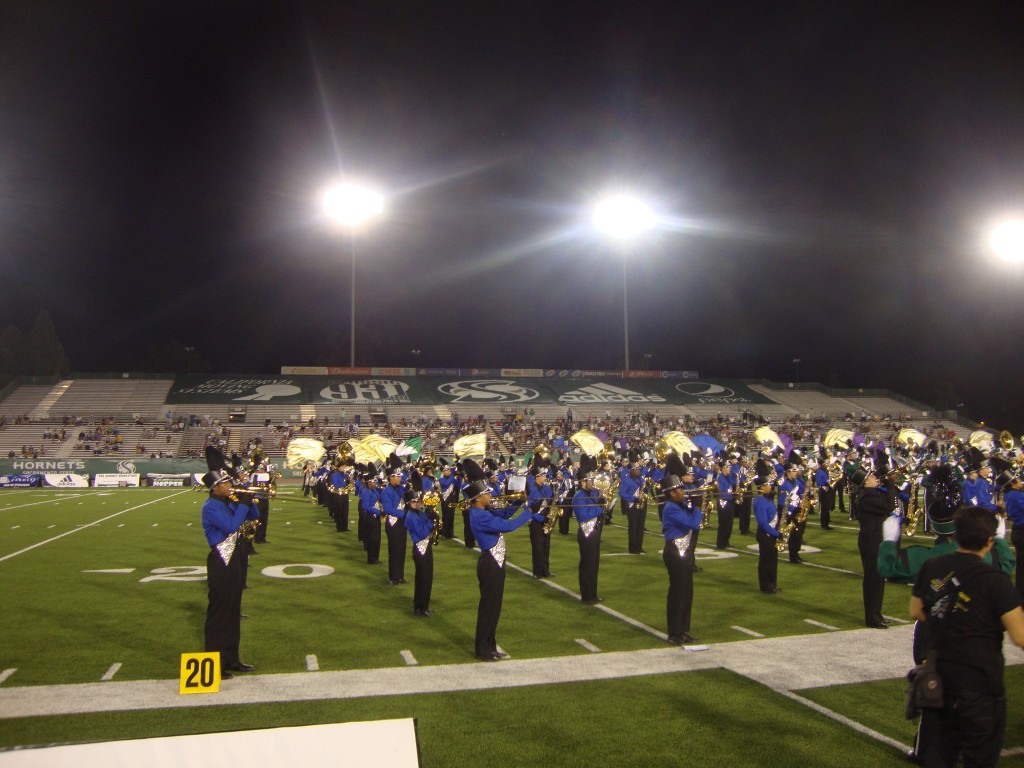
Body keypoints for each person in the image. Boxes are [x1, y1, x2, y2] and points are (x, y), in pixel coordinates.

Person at [910, 506, 1024, 768]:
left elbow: (916, 610)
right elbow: (1020, 637)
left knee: (941, 756)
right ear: (989, 540)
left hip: (941, 678)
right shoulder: (995, 580)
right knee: (980, 757)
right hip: (981, 683)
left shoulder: (933, 565)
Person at [464, 461, 541, 661]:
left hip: (494, 562)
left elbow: (505, 513)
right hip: (490, 563)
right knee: (489, 607)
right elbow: (507, 526)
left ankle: (490, 646)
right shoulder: (479, 515)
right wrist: (529, 512)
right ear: (478, 498)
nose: (491, 495)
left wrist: (518, 501)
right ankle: (483, 649)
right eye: (487, 494)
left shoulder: (483, 510)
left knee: (494, 607)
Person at [201, 469, 258, 678]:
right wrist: (242, 503)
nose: (229, 485)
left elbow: (254, 515)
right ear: (215, 488)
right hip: (221, 559)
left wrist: (248, 500)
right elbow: (231, 526)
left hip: (234, 557)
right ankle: (216, 662)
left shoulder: (229, 502)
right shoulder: (211, 507)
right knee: (220, 613)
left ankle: (231, 658)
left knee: (233, 610)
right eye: (225, 483)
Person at [660, 458, 703, 644]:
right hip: (675, 552)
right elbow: (694, 524)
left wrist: (693, 505)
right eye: (680, 490)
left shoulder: (679, 505)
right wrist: (698, 507)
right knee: (677, 592)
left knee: (687, 592)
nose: (684, 492)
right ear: (671, 493)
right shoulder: (670, 509)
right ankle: (674, 632)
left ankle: (683, 630)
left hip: (684, 552)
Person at [855, 465, 894, 628]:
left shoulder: (872, 494)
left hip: (876, 538)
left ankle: (877, 614)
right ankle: (872, 617)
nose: (875, 478)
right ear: (865, 482)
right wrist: (890, 484)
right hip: (870, 540)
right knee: (873, 579)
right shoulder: (866, 497)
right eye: (871, 477)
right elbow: (888, 506)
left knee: (879, 578)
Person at [573, 465, 606, 604]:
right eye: (590, 481)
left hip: (595, 532)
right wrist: (600, 509)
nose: (592, 483)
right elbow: (583, 516)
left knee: (594, 565)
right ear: (582, 482)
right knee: (587, 565)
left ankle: (593, 594)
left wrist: (604, 500)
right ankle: (586, 596)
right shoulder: (578, 497)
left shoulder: (592, 493)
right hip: (586, 533)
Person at [403, 489, 436, 616]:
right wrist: (430, 521)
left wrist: (430, 513)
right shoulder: (410, 516)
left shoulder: (418, 513)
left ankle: (424, 606)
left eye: (418, 500)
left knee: (427, 578)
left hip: (425, 547)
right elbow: (422, 533)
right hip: (420, 549)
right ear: (409, 503)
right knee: (423, 579)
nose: (419, 503)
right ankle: (420, 608)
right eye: (415, 501)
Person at [753, 472, 782, 594]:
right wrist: (776, 533)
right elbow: (763, 523)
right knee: (766, 561)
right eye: (768, 484)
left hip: (771, 534)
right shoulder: (759, 500)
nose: (770, 486)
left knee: (773, 560)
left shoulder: (767, 498)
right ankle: (766, 586)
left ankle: (772, 584)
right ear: (761, 487)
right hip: (766, 534)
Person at [381, 460, 408, 585]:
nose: (400, 478)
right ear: (391, 478)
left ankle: (400, 576)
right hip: (393, 524)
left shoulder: (400, 489)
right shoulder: (387, 491)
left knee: (401, 550)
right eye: (398, 476)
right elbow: (388, 509)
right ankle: (393, 577)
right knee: (394, 550)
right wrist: (404, 514)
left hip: (402, 523)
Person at [526, 466, 555, 578]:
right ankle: (537, 572)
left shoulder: (547, 488)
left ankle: (545, 570)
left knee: (546, 546)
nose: (544, 477)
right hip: (535, 521)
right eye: (543, 475)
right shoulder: (531, 490)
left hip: (546, 520)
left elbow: (552, 502)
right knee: (537, 547)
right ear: (537, 477)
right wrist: (540, 518)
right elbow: (528, 507)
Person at [618, 457, 648, 554]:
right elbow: (621, 492)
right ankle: (632, 547)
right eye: (637, 469)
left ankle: (639, 546)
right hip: (632, 506)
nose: (639, 470)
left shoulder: (641, 480)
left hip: (642, 505)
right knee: (633, 526)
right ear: (631, 471)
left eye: (639, 469)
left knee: (640, 526)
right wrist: (633, 499)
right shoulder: (626, 480)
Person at [1005, 473, 1024, 599]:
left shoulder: (1009, 494)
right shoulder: (1017, 495)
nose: (1021, 482)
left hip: (1018, 530)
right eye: (1019, 481)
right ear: (1012, 483)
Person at [715, 459, 737, 550]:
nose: (730, 469)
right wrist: (730, 495)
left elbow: (734, 483)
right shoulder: (720, 478)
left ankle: (726, 541)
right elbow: (722, 492)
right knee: (723, 523)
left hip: (729, 501)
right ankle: (720, 543)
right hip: (723, 502)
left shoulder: (728, 477)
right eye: (728, 467)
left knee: (729, 523)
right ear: (723, 468)